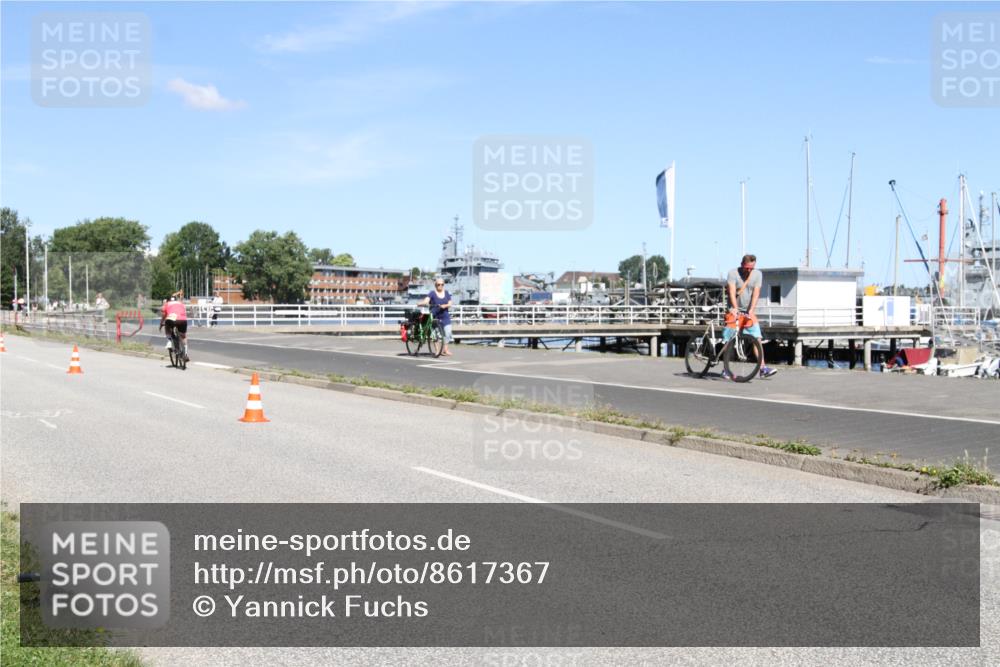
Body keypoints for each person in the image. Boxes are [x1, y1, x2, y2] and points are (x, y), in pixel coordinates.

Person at [723, 254, 777, 379]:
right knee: (729, 339)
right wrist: (735, 309)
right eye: (747, 268)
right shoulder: (733, 273)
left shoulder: (757, 274)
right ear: (742, 264)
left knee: (756, 338)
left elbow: (756, 293)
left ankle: (762, 368)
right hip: (734, 310)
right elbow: (731, 292)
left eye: (751, 268)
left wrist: (751, 310)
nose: (749, 270)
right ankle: (725, 369)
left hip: (748, 311)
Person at [418, 279, 453, 356]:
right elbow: (426, 300)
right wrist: (420, 303)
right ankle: (437, 350)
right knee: (435, 334)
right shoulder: (432, 293)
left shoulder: (446, 293)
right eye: (438, 284)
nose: (440, 286)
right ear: (435, 285)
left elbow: (450, 303)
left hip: (445, 316)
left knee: (448, 333)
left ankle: (445, 349)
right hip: (435, 316)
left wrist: (445, 305)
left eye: (442, 284)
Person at [158, 290, 189, 361]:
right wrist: (179, 293)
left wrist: (161, 324)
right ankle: (185, 354)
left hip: (171, 319)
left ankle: (169, 341)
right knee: (183, 336)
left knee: (167, 325)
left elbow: (163, 315)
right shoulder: (180, 303)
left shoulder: (167, 304)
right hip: (183, 320)